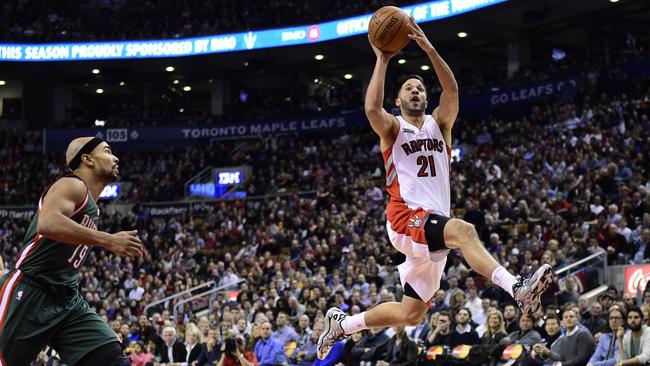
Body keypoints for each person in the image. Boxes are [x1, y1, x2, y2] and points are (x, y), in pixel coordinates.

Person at [317, 16, 553, 360]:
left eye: (421, 88)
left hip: (430, 224)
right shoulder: (393, 128)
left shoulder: (440, 124)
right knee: (464, 230)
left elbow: (453, 90)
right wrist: (382, 59)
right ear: (397, 101)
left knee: (411, 313)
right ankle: (517, 287)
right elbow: (370, 108)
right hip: (406, 217)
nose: (416, 91)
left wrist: (428, 47)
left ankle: (343, 324)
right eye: (409, 89)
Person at [0, 137, 143, 365]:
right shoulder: (72, 185)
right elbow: (47, 223)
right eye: (107, 151)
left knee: (111, 358)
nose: (115, 157)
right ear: (87, 159)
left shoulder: (92, 207)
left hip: (67, 300)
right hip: (31, 294)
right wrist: (108, 240)